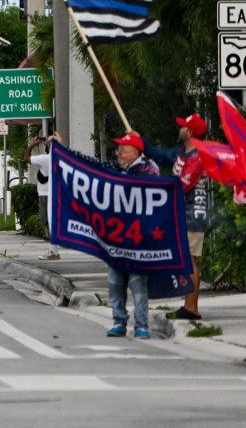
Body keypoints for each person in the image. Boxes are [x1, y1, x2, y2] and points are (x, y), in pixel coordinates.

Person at [143, 113, 209, 321]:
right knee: (184, 260)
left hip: (193, 214)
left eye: (183, 127)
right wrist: (140, 141)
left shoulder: (198, 156)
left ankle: (192, 308)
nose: (179, 129)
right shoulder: (181, 152)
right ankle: (188, 305)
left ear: (189, 133)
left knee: (190, 261)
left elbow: (183, 184)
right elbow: (160, 155)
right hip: (180, 214)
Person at [107, 131, 161, 339]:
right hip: (117, 237)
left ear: (136, 152)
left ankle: (141, 324)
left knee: (138, 282)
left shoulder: (148, 170)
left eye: (124, 149)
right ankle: (118, 321)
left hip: (139, 238)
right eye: (119, 148)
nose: (119, 153)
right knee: (115, 282)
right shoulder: (119, 169)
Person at [26, 131, 63, 260]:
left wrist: (31, 145)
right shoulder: (61, 159)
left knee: (48, 222)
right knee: (53, 222)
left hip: (45, 194)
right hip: (57, 194)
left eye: (47, 142)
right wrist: (57, 141)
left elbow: (26, 158)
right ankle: (54, 248)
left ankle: (53, 251)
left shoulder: (45, 159)